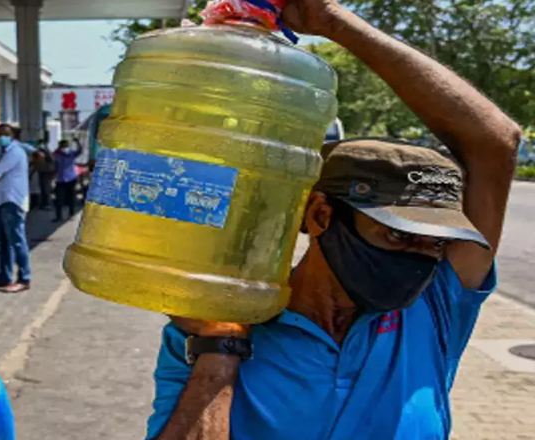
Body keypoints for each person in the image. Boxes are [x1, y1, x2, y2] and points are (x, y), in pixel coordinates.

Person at [145, 1, 522, 439]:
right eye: (399, 235)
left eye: (435, 243)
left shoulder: (433, 309)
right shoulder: (208, 328)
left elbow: (497, 142)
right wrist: (221, 351)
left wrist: (330, 20)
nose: (421, 259)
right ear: (322, 215)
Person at [0, 123, 32, 293]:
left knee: (17, 240)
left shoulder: (15, 152)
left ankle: (24, 278)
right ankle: (5, 276)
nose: (0, 137)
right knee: (5, 242)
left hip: (12, 201)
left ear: (11, 136)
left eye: (4, 134)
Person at [52, 139, 83, 222]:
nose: (64, 148)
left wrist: (77, 142)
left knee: (72, 198)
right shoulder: (57, 154)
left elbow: (80, 150)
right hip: (60, 180)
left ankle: (71, 214)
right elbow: (53, 160)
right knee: (59, 199)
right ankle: (59, 216)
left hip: (71, 179)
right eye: (62, 146)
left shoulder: (71, 153)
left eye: (65, 146)